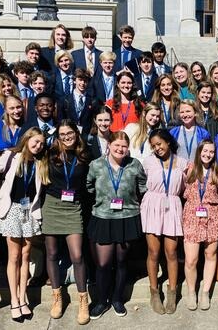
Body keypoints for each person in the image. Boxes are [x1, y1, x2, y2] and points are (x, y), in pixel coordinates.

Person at [0, 127, 49, 322]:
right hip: (12, 209)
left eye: (41, 143)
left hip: (29, 211)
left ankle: (23, 298)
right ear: (27, 138)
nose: (38, 146)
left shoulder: (40, 162)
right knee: (14, 256)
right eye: (35, 141)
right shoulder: (11, 156)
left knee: (25, 255)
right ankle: (14, 300)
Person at [86, 131, 148, 319]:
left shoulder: (134, 164)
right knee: (103, 263)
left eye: (124, 146)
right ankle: (101, 301)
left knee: (122, 261)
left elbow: (142, 186)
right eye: (116, 145)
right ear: (109, 146)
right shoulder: (96, 165)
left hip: (127, 217)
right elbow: (89, 186)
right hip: (103, 217)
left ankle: (117, 299)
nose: (120, 149)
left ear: (128, 148)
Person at [42, 120, 91, 325]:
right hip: (52, 205)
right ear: (58, 136)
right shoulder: (50, 153)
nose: (66, 137)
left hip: (74, 208)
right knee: (52, 253)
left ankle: (83, 299)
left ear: (76, 133)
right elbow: (26, 149)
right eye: (62, 134)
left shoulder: (85, 154)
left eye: (69, 133)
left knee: (77, 255)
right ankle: (57, 296)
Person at [141, 129, 188, 315]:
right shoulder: (148, 162)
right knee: (153, 251)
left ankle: (172, 292)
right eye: (153, 146)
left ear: (168, 142)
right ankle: (154, 292)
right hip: (152, 205)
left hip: (173, 206)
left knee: (172, 251)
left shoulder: (183, 163)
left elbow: (186, 187)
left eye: (159, 144)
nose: (157, 148)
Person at [182, 140, 218, 311]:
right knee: (191, 259)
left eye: (211, 152)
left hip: (213, 215)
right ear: (199, 151)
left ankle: (205, 292)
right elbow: (183, 190)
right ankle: (191, 292)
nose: (208, 154)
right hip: (192, 214)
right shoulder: (190, 168)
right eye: (205, 151)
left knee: (210, 254)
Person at [0, 95, 24, 166]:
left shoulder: (26, 127)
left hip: (21, 171)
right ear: (6, 110)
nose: (16, 111)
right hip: (0, 171)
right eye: (12, 108)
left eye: (18, 107)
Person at [61, 68, 94, 135]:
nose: (83, 83)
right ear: (74, 81)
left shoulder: (93, 100)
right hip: (69, 134)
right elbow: (61, 120)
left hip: (86, 135)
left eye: (85, 81)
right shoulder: (65, 100)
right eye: (80, 80)